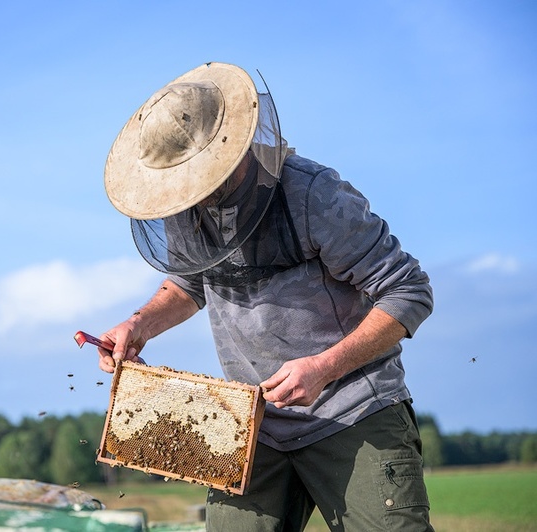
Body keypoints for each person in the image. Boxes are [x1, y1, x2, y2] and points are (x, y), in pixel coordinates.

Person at [96, 62, 435, 531]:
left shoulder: (312, 194)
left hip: (351, 411)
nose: (194, 193)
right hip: (251, 427)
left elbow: (407, 290)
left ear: (232, 147)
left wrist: (324, 367)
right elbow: (190, 282)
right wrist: (140, 323)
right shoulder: (184, 205)